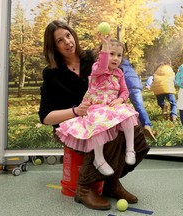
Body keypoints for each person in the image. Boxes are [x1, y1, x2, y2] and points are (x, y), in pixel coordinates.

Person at [38, 20, 150, 210]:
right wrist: (76, 111)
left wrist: (121, 99)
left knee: (135, 132)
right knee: (107, 131)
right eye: (59, 40)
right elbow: (45, 117)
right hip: (73, 123)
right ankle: (84, 187)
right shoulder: (52, 74)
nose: (67, 42)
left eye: (68, 35)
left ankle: (111, 183)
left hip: (104, 113)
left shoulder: (91, 59)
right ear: (53, 47)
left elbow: (115, 71)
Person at [56, 35, 139, 176]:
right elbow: (102, 63)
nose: (115, 58)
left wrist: (120, 100)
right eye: (111, 54)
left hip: (112, 106)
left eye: (119, 55)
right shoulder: (98, 69)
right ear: (102, 55)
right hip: (97, 106)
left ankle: (130, 149)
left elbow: (125, 91)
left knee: (127, 114)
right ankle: (99, 159)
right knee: (98, 123)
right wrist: (105, 47)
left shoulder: (119, 73)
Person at [120, 59, 156, 141]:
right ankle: (147, 125)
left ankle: (124, 128)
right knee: (140, 106)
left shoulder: (118, 66)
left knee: (120, 107)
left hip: (125, 86)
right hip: (136, 86)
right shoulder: (130, 67)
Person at [151, 57, 177, 121]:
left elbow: (153, 79)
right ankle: (173, 115)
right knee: (173, 103)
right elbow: (174, 80)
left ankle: (163, 107)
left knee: (160, 102)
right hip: (169, 88)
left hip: (159, 90)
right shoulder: (170, 70)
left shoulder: (156, 71)